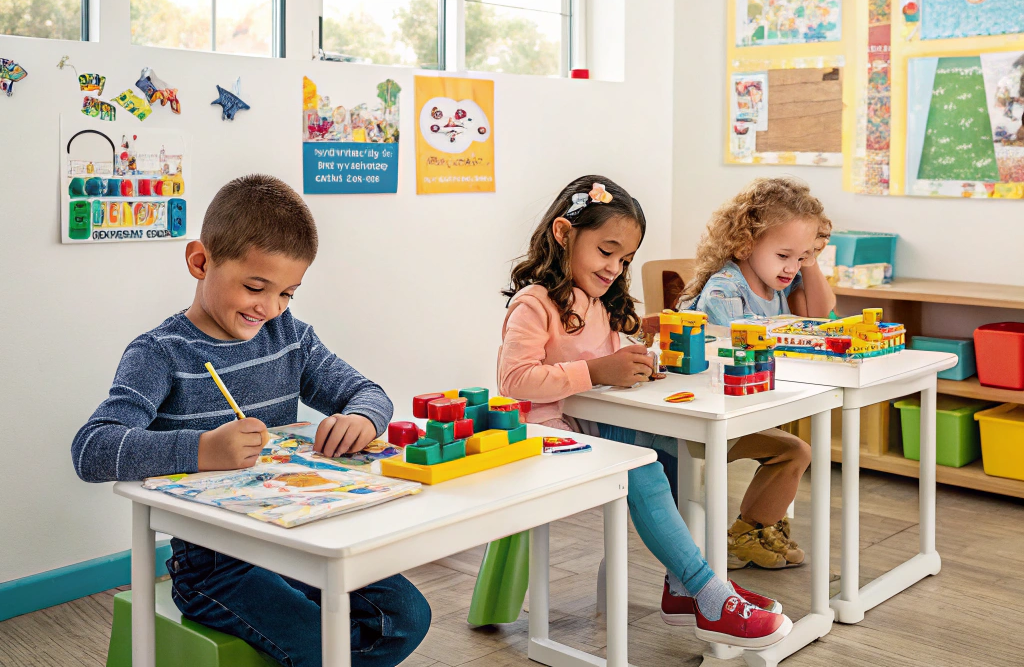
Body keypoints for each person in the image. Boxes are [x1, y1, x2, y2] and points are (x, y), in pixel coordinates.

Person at [72, 174, 430, 667]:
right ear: (201, 262)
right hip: (215, 568)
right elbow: (92, 450)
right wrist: (203, 450)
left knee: (406, 616)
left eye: (288, 294)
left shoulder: (290, 338)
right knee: (320, 646)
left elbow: (367, 393)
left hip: (297, 541)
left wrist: (363, 418)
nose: (270, 307)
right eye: (255, 287)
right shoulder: (159, 354)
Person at [497, 175, 790, 649]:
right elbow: (515, 379)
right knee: (644, 468)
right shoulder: (535, 303)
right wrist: (596, 371)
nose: (615, 268)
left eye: (625, 259)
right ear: (564, 233)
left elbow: (607, 365)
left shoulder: (597, 302)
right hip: (545, 433)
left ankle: (682, 588)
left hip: (591, 424)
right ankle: (708, 593)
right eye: (606, 251)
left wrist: (638, 362)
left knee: (677, 450)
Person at [677, 176, 833, 570]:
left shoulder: (776, 284)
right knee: (795, 450)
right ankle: (742, 538)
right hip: (700, 419)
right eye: (784, 255)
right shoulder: (724, 291)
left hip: (741, 409)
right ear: (745, 243)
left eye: (802, 257)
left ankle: (752, 531)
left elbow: (820, 314)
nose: (792, 268)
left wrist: (810, 262)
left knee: (796, 451)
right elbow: (744, 346)